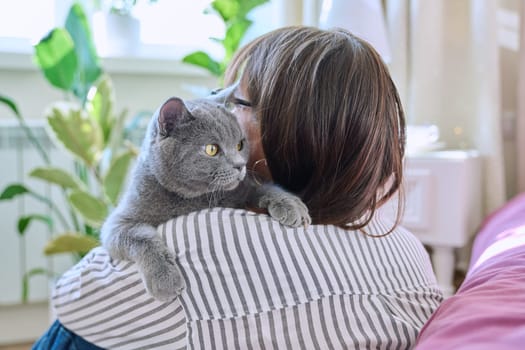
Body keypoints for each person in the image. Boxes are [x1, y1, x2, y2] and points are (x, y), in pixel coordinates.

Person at [33, 26, 443, 349]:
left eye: (237, 104)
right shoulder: (408, 249)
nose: (223, 112)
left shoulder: (202, 241)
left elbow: (72, 303)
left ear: (288, 129)